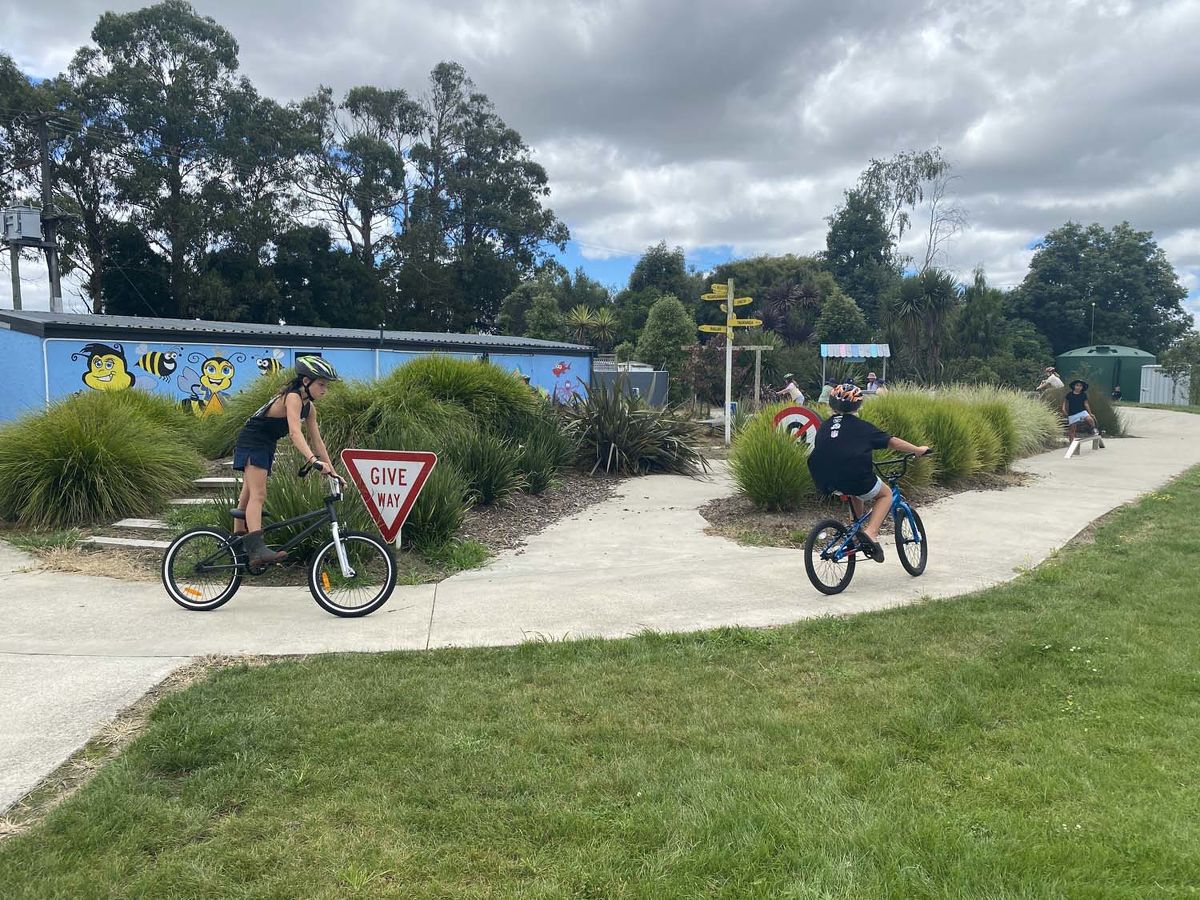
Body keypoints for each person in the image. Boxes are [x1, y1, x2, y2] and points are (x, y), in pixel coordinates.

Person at [231, 355, 344, 566]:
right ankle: (256, 551)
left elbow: (317, 441)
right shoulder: (292, 397)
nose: (324, 390)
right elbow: (294, 433)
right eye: (321, 384)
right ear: (306, 381)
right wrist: (313, 461)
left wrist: (333, 470)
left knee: (247, 496)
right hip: (253, 440)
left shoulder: (309, 407)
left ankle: (237, 542)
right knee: (258, 494)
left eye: (326, 385)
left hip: (266, 443)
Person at [807, 383, 931, 563]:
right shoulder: (862, 427)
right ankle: (871, 533)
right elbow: (892, 441)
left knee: (854, 492)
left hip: (822, 477)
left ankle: (855, 533)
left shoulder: (824, 427)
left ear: (831, 405)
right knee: (886, 494)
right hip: (854, 474)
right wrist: (917, 449)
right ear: (858, 406)